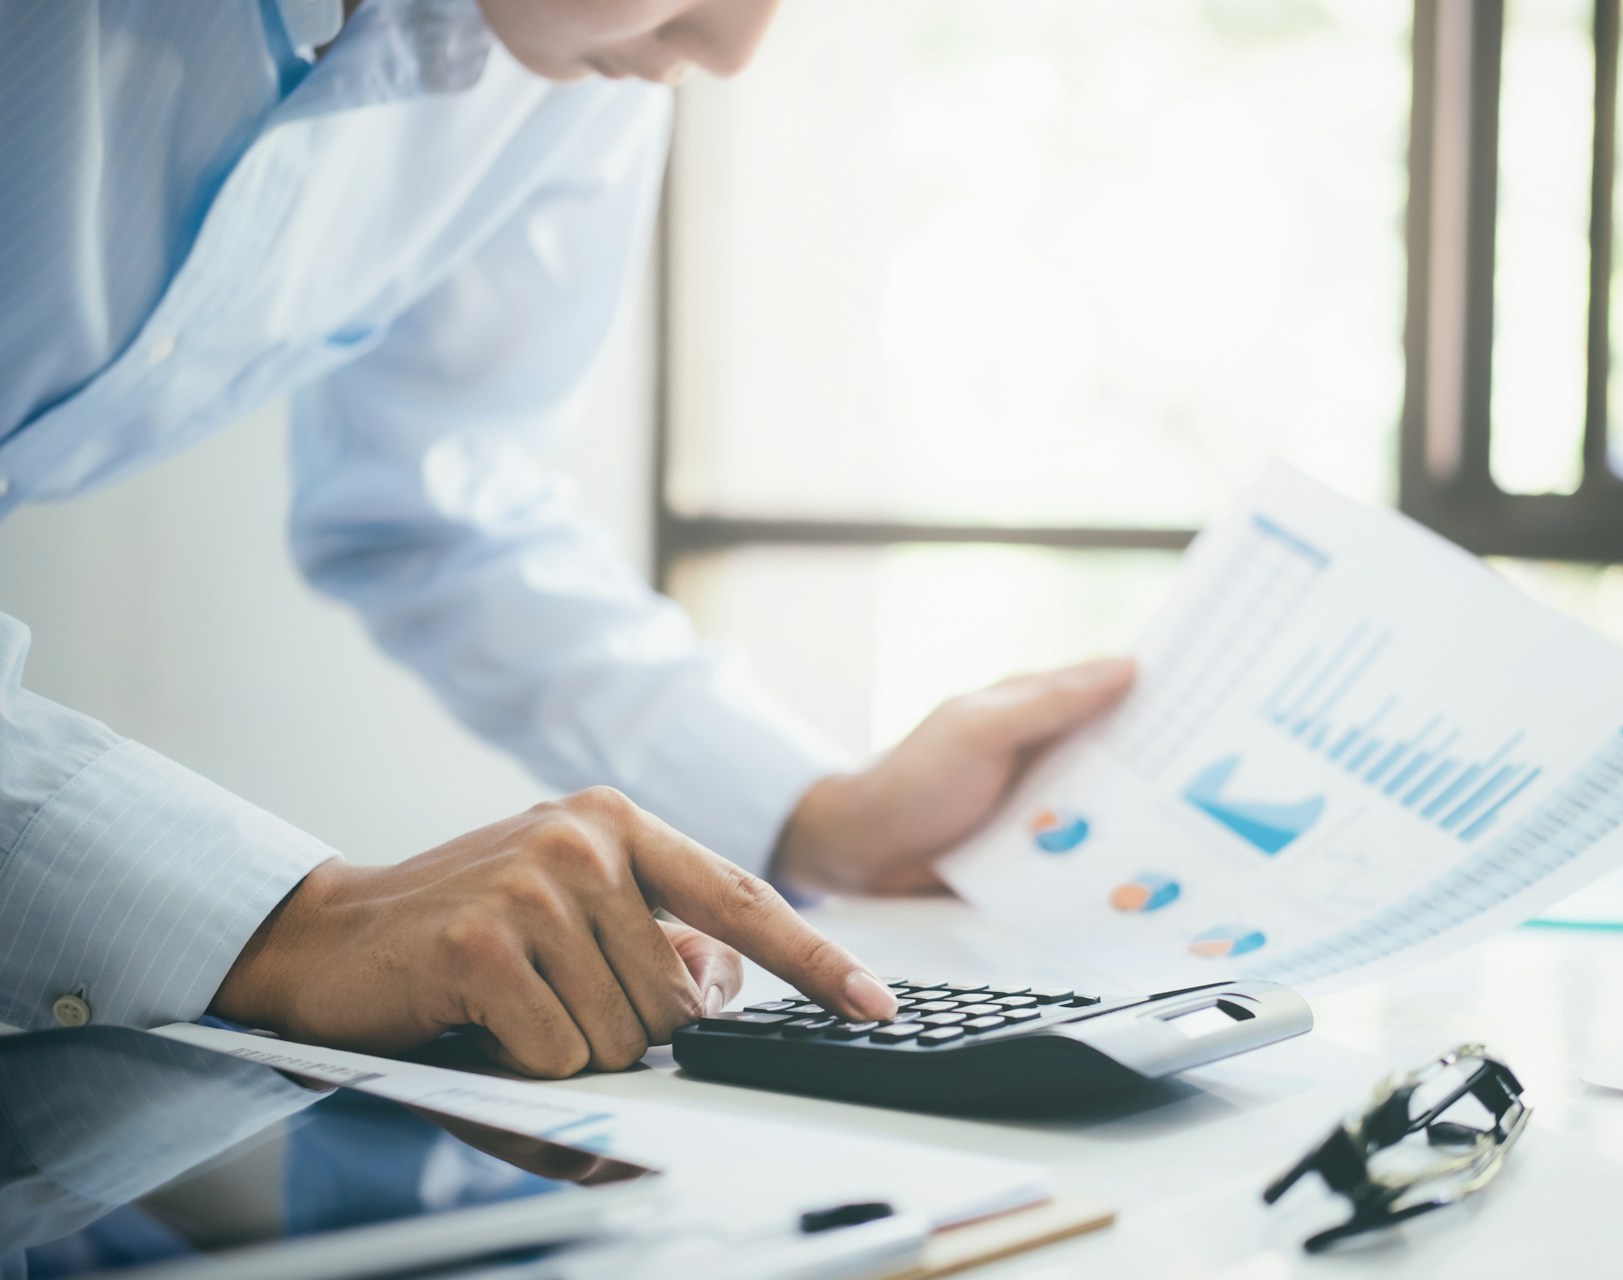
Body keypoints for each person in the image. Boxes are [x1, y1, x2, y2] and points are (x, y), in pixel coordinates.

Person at [0, 0, 1135, 1079]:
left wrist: (813, 816)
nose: (735, 47)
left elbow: (447, 504)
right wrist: (282, 922)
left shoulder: (581, 64)